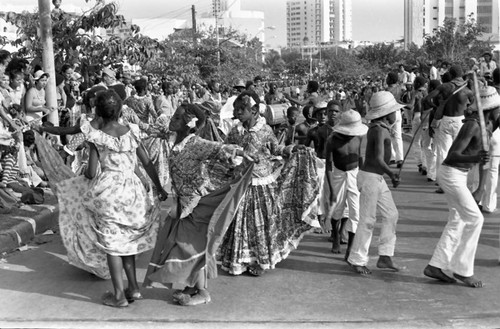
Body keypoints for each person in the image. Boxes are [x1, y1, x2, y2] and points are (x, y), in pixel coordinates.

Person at [58, 90, 168, 307]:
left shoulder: (96, 136)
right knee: (127, 241)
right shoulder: (132, 131)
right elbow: (146, 162)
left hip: (109, 191)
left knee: (112, 244)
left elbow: (90, 172)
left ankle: (119, 296)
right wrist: (159, 188)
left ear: (98, 112)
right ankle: (133, 288)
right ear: (120, 110)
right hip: (133, 191)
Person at [144, 103, 254, 306]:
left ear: (188, 125)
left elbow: (219, 148)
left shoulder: (194, 143)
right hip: (183, 201)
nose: (172, 120)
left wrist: (238, 152)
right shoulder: (172, 138)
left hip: (197, 202)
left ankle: (202, 291)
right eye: (174, 116)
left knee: (189, 246)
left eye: (177, 118)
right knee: (189, 244)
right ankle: (194, 286)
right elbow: (147, 128)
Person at [218, 91, 319, 276]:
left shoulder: (265, 130)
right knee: (239, 221)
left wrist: (292, 149)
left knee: (260, 224)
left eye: (242, 109)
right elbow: (224, 148)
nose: (238, 112)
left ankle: (260, 260)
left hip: (261, 183)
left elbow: (276, 148)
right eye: (236, 109)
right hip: (241, 183)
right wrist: (231, 156)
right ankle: (240, 259)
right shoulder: (235, 130)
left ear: (255, 110)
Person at [423, 86, 499, 288]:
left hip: (461, 175)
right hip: (451, 174)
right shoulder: (473, 126)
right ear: (493, 109)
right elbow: (452, 156)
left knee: (457, 220)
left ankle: (436, 266)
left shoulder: (489, 128)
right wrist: (475, 157)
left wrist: (480, 189)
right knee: (475, 219)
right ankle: (463, 270)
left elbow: (486, 163)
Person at [347, 91, 404, 275]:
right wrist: (392, 174)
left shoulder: (380, 128)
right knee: (367, 220)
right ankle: (357, 259)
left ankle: (385, 256)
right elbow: (379, 160)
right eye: (394, 111)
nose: (397, 114)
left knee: (391, 214)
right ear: (387, 114)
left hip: (376, 178)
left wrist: (388, 175)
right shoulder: (378, 130)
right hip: (371, 178)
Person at [325, 109, 367, 260]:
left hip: (354, 174)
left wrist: (363, 179)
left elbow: (361, 158)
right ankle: (335, 236)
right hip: (338, 174)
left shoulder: (359, 137)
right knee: (337, 210)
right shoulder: (332, 140)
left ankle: (350, 247)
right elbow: (328, 165)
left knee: (355, 212)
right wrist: (331, 189)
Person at [428, 65, 473, 193]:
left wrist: (437, 106)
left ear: (451, 75)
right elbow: (474, 104)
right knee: (460, 151)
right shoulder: (468, 89)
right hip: (461, 120)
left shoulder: (444, 87)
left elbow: (428, 98)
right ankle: (460, 184)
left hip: (446, 120)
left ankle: (442, 183)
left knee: (442, 152)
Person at [385, 72, 404, 168]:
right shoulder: (399, 88)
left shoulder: (387, 90)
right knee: (398, 136)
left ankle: (391, 157)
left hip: (390, 113)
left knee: (387, 135)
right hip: (398, 111)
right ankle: (400, 158)